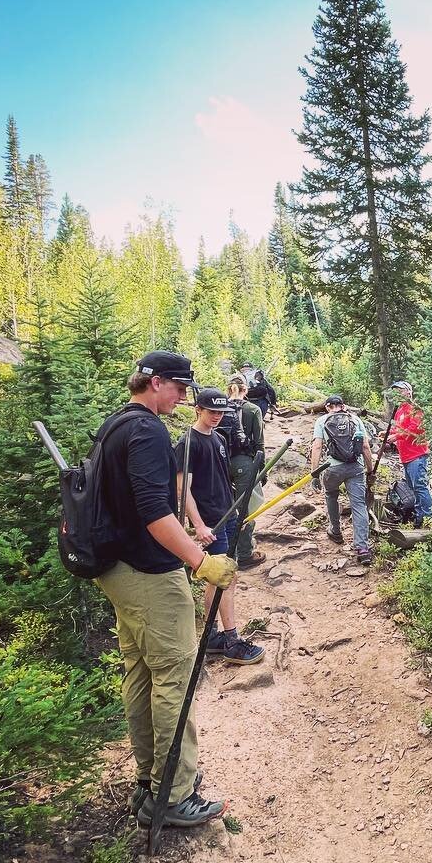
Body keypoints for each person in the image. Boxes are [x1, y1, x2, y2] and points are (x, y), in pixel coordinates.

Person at [93, 351, 236, 829]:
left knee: (140, 672)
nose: (182, 396)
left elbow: (135, 506)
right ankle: (172, 794)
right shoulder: (149, 430)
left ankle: (149, 779)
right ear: (153, 383)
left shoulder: (116, 425)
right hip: (149, 574)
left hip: (116, 569)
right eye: (177, 387)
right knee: (175, 678)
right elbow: (155, 512)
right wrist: (200, 561)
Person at [177, 388, 264, 665]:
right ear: (198, 409)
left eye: (220, 412)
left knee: (220, 578)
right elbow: (182, 489)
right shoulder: (188, 443)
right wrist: (199, 525)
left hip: (226, 516)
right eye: (211, 411)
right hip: (211, 522)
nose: (216, 416)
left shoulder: (218, 438)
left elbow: (221, 479)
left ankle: (213, 635)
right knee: (226, 577)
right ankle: (231, 641)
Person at [310, 394, 375, 565]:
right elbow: (366, 446)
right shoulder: (354, 419)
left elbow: (317, 446)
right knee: (359, 505)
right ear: (343, 406)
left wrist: (315, 473)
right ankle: (362, 548)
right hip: (355, 467)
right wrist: (370, 470)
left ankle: (335, 531)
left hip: (333, 468)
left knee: (331, 495)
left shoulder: (322, 421)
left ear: (327, 407)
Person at [225, 373, 267, 570]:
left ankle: (226, 552)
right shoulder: (253, 409)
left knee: (227, 507)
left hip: (221, 462)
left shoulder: (219, 408)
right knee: (246, 509)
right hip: (245, 463)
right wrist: (262, 469)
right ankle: (244, 554)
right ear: (246, 390)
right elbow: (259, 442)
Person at [388, 380, 432, 528]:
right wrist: (388, 433)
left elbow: (415, 429)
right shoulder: (400, 410)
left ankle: (429, 517)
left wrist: (396, 437)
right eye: (396, 391)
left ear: (408, 392)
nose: (398, 394)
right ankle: (418, 515)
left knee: (419, 486)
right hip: (406, 456)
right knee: (412, 487)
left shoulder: (415, 409)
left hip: (417, 454)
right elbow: (400, 429)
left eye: (400, 390)